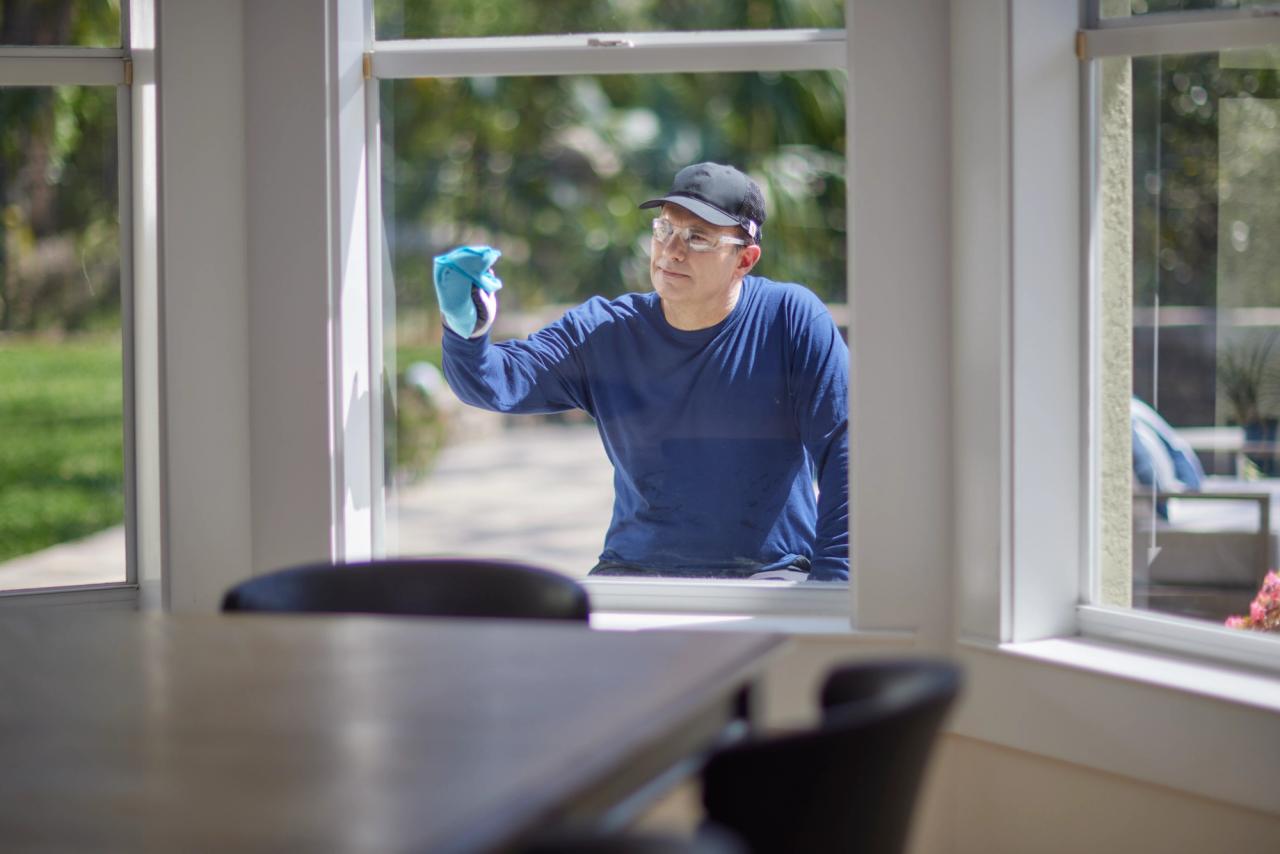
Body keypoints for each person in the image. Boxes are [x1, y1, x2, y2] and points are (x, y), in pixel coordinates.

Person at [433, 162, 849, 581]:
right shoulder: (605, 331)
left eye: (698, 238)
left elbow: (845, 448)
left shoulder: (790, 319)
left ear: (745, 259)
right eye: (664, 230)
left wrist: (832, 582)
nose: (672, 251)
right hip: (634, 572)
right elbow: (493, 382)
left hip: (769, 573)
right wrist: (467, 326)